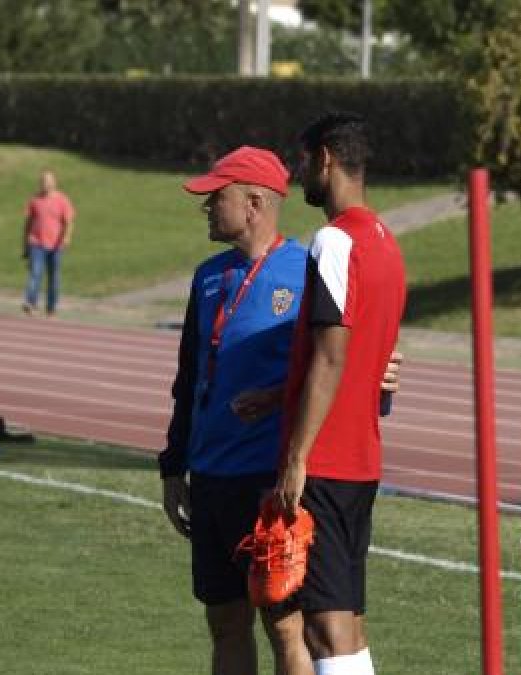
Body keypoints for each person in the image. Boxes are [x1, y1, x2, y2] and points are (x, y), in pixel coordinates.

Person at [159, 145, 402, 675]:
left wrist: (379, 372)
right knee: (224, 622)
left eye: (214, 196)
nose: (205, 206)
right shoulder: (206, 278)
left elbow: (341, 356)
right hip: (212, 475)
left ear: (252, 204)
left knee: (286, 625)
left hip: (270, 481)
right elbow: (189, 379)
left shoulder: (306, 269)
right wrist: (173, 465)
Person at [273, 112, 406, 675]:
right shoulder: (386, 243)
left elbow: (332, 354)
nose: (300, 173)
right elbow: (373, 360)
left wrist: (296, 457)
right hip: (361, 460)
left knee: (324, 631)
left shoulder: (333, 241)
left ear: (325, 158)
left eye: (303, 162)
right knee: (346, 623)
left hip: (325, 461)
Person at [21, 169, 74, 317]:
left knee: (53, 277)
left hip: (56, 245)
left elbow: (69, 222)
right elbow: (28, 223)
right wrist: (26, 243)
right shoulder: (34, 200)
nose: (45, 184)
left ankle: (51, 308)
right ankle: (30, 303)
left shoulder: (63, 200)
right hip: (36, 243)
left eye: (48, 181)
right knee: (35, 273)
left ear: (54, 182)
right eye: (43, 181)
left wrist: (66, 237)